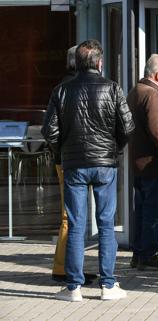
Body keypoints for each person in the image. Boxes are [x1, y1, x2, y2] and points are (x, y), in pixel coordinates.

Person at [42, 39, 135, 302]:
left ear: (77, 63)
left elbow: (50, 130)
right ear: (100, 63)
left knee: (75, 224)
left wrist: (64, 151)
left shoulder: (61, 90)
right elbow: (127, 127)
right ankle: (108, 285)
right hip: (105, 164)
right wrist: (114, 148)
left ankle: (74, 288)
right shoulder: (112, 88)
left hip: (74, 165)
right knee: (106, 224)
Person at [50, 46, 97, 285]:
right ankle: (66, 269)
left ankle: (68, 268)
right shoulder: (72, 88)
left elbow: (52, 130)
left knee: (71, 216)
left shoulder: (63, 87)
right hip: (76, 161)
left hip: (68, 159)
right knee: (71, 217)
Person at [127, 54, 158, 271]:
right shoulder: (152, 95)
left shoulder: (135, 92)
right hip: (152, 164)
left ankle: (139, 254)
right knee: (153, 212)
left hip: (139, 163)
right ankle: (148, 254)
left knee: (141, 211)